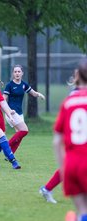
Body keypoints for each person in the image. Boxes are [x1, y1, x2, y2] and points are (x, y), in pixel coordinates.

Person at [53, 58, 87, 221]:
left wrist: (64, 169)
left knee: (83, 211)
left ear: (78, 76)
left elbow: (57, 140)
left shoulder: (69, 102)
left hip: (73, 164)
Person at [39, 69, 80, 204]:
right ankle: (47, 188)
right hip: (77, 137)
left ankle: (47, 188)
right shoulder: (76, 94)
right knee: (69, 166)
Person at [3, 64, 45, 154]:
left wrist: (39, 95)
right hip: (11, 113)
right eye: (15, 72)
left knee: (19, 136)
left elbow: (33, 93)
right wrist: (9, 111)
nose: (17, 73)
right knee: (24, 130)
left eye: (19, 71)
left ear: (22, 73)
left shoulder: (23, 84)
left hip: (19, 113)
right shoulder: (9, 85)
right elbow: (3, 100)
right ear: (13, 73)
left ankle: (10, 154)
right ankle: (6, 147)